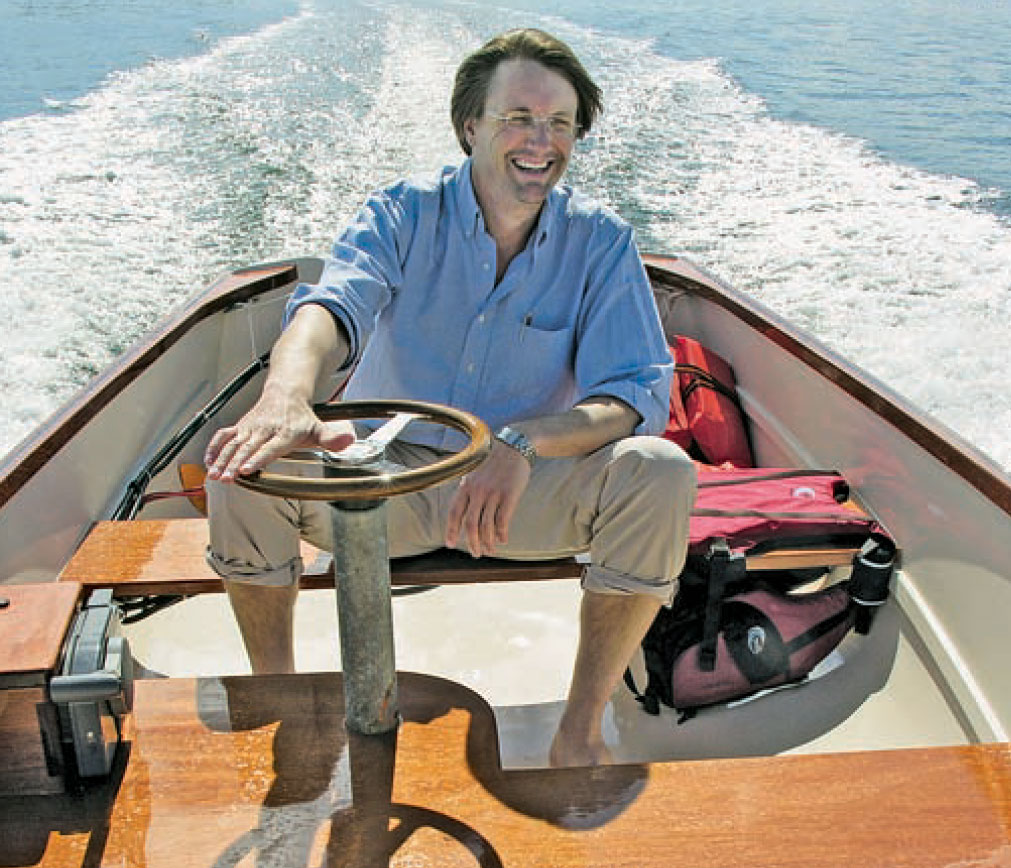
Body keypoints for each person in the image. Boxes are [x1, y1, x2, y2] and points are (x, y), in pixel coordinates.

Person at [203, 28, 696, 767]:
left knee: (659, 470)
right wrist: (284, 396)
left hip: (518, 498)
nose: (541, 141)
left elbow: (628, 397)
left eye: (560, 123)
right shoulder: (402, 213)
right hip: (382, 485)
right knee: (242, 466)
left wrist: (524, 443)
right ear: (470, 126)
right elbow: (331, 310)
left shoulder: (600, 243)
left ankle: (579, 732)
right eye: (518, 119)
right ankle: (281, 706)